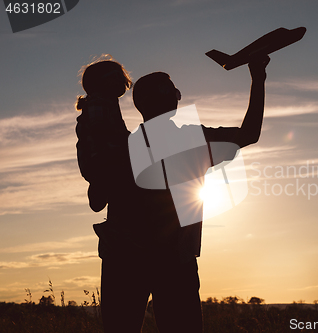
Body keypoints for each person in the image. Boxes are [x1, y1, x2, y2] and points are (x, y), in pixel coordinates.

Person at [80, 55, 269, 332]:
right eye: (172, 90)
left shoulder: (125, 146)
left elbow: (96, 197)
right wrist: (258, 78)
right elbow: (250, 133)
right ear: (172, 99)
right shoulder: (193, 139)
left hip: (123, 257)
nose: (178, 95)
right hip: (174, 260)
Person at [75, 55, 132, 212]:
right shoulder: (99, 102)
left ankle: (101, 187)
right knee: (114, 180)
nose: (123, 81)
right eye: (117, 77)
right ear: (103, 82)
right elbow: (100, 130)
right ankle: (100, 186)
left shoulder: (107, 101)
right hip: (103, 158)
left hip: (104, 158)